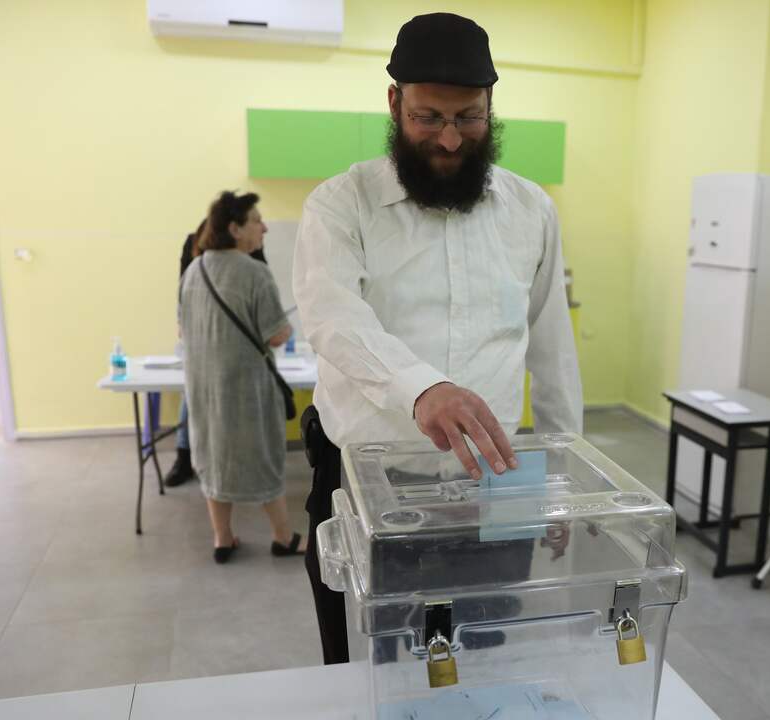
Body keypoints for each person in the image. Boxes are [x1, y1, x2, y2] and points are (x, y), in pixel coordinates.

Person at [292, 12, 582, 664]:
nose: (450, 140)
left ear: (490, 108)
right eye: (430, 118)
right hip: (372, 481)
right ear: (395, 104)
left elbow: (552, 347)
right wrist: (424, 390)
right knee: (373, 661)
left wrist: (559, 475)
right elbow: (333, 317)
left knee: (481, 655)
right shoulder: (342, 204)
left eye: (469, 118)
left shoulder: (531, 209)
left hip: (494, 484)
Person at [181, 191, 306, 563]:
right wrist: (285, 326)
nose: (263, 226)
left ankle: (223, 538)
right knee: (263, 457)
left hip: (203, 390)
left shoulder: (195, 269)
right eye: (255, 220)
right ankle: (283, 537)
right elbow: (276, 334)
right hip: (246, 390)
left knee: (213, 456)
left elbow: (183, 327)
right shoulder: (254, 272)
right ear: (235, 228)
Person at [165, 220, 268, 488]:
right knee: (193, 395)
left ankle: (242, 461)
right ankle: (184, 456)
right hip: (202, 335)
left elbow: (262, 286)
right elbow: (183, 289)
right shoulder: (193, 241)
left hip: (240, 339)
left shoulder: (251, 245)